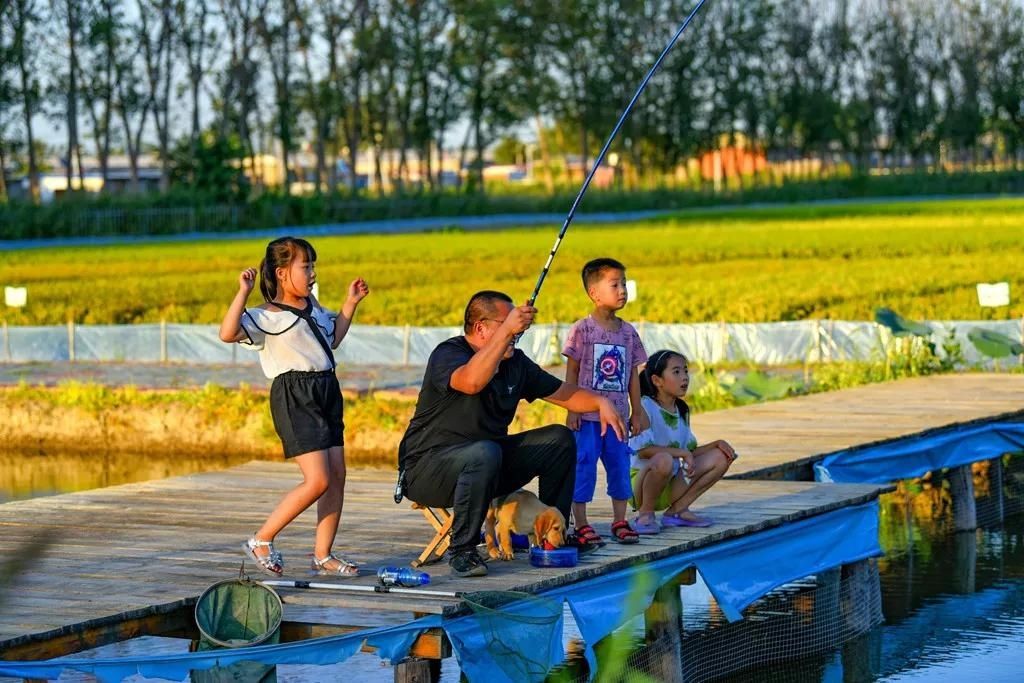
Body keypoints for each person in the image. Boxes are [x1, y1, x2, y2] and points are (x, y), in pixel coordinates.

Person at [398, 290, 627, 577]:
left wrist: (600, 402)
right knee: (485, 451)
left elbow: (563, 393)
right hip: (427, 471)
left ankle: (553, 534)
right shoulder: (448, 353)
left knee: (559, 439)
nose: (516, 334)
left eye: (516, 327)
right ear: (481, 328)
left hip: (487, 466)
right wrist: (507, 331)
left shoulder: (515, 363)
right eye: (506, 325)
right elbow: (471, 382)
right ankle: (463, 551)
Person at [218, 236, 370, 577]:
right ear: (282, 273)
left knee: (336, 476)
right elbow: (228, 333)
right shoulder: (264, 317)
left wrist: (350, 304)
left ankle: (322, 554)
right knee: (317, 480)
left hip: (326, 389)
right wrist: (243, 292)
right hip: (294, 395)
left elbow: (331, 339)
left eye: (313, 266)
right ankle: (262, 538)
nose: (313, 273)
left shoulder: (313, 309)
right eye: (306, 267)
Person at [563, 258, 649, 546]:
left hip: (618, 418)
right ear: (594, 293)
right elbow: (572, 371)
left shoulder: (628, 332)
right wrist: (572, 408)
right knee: (583, 465)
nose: (622, 290)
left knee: (619, 465)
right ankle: (582, 522)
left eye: (624, 283)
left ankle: (620, 520)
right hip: (587, 417)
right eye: (615, 285)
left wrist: (637, 411)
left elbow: (633, 375)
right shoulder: (582, 330)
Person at [628, 349, 736, 533]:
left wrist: (716, 444)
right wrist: (682, 454)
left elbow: (689, 453)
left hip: (670, 481)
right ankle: (645, 514)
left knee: (721, 456)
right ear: (657, 381)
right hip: (640, 484)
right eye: (676, 372)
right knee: (664, 459)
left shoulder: (681, 410)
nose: (684, 377)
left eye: (685, 371)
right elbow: (644, 451)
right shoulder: (645, 406)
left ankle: (677, 511)